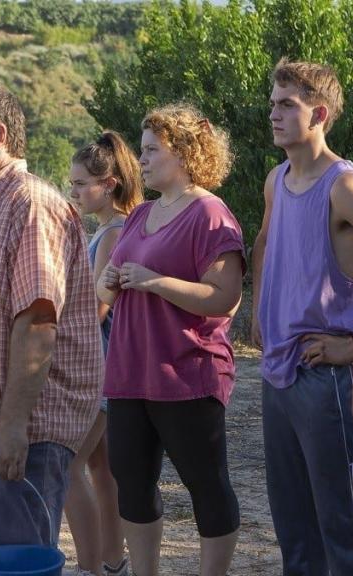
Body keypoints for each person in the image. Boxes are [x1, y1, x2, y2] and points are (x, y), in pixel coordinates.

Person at [0, 80, 103, 548]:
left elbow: (37, 323)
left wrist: (12, 428)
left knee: (19, 561)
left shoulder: (31, 205)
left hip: (24, 432)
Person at [97, 104, 245, 576]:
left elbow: (224, 297)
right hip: (129, 374)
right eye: (141, 150)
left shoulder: (209, 212)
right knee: (132, 483)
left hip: (187, 373)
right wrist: (115, 280)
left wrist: (156, 281)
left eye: (150, 150)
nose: (140, 159)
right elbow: (104, 288)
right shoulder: (139, 215)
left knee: (206, 484)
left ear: (183, 152)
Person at [250, 58, 353, 576]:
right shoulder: (274, 179)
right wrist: (260, 309)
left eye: (287, 105)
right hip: (279, 370)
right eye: (272, 105)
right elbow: (262, 241)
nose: (274, 115)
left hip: (326, 377)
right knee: (294, 530)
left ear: (319, 113)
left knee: (344, 527)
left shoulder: (343, 185)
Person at [64, 131, 142, 576]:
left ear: (109, 182)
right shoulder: (113, 228)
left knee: (66, 468)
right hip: (108, 366)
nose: (73, 192)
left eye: (80, 184)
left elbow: (96, 308)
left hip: (99, 368)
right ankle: (112, 563)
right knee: (102, 469)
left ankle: (91, 567)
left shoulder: (115, 232)